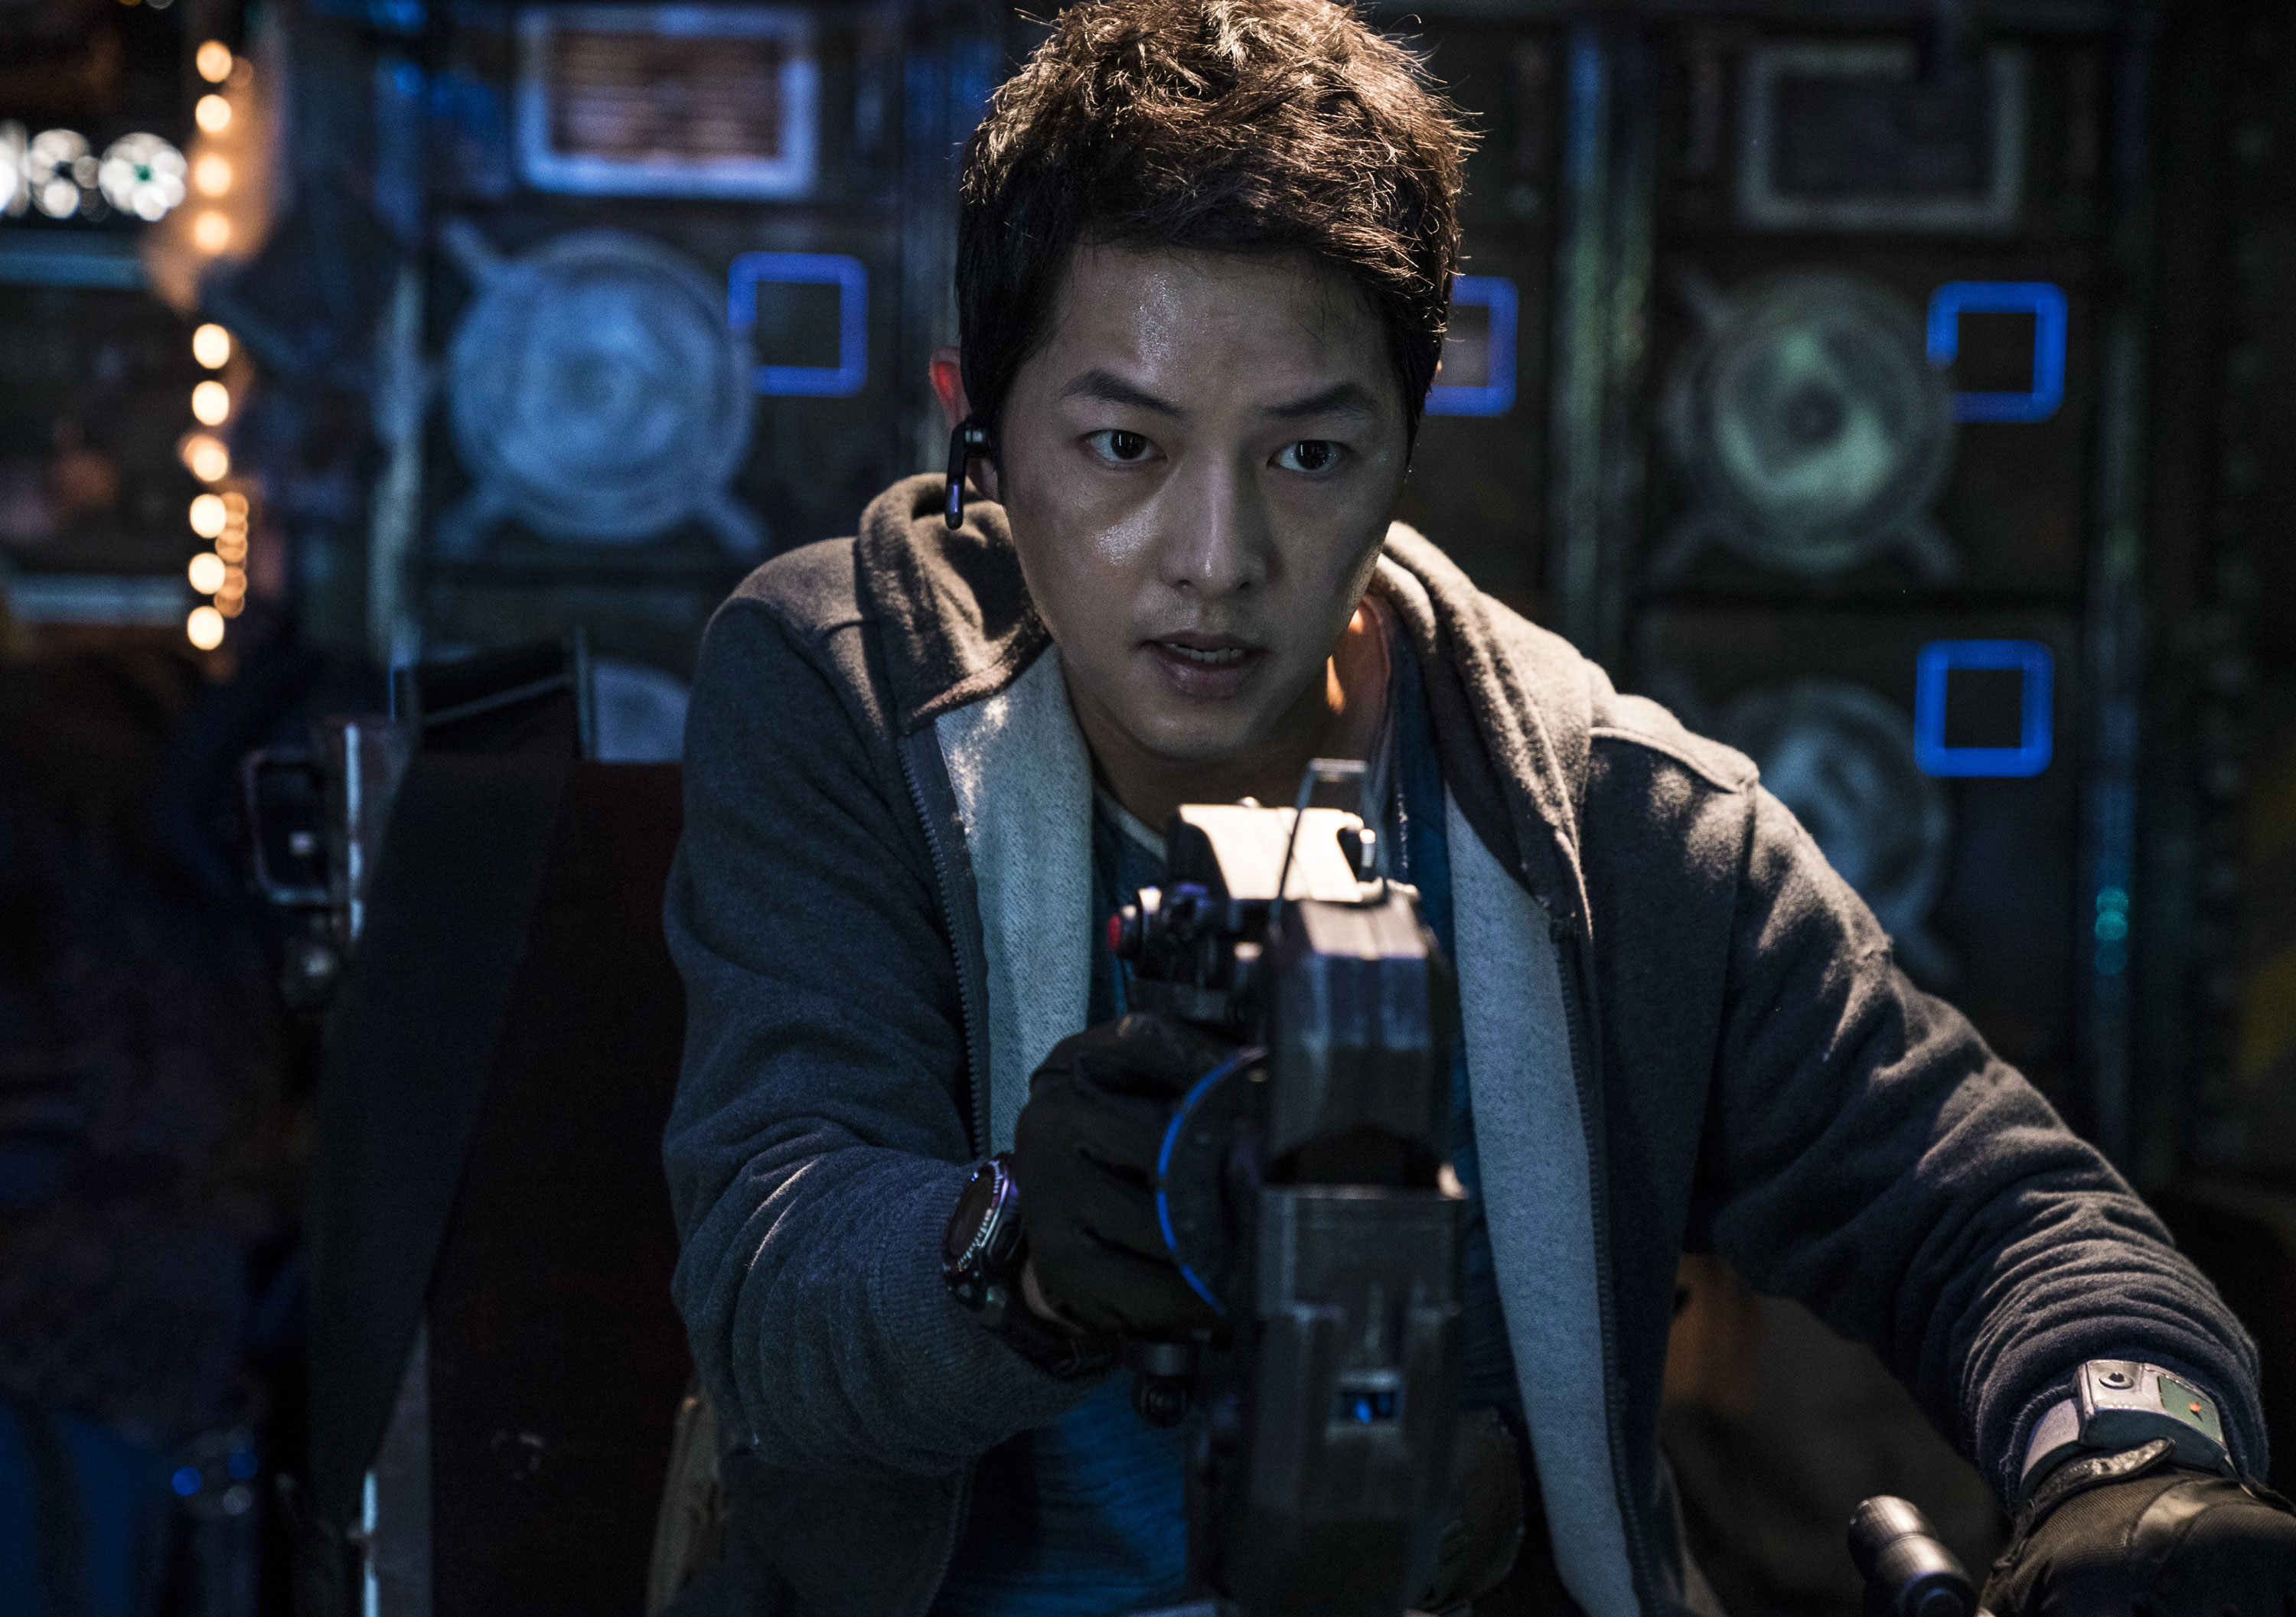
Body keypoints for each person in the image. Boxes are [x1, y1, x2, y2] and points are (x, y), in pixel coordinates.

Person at [660, 1, 2296, 1611]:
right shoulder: (847, 696)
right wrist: (1018, 1252)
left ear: (1407, 442)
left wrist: (2126, 1460)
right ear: (981, 426)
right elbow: (770, 1285)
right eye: (1122, 444)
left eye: (1308, 456)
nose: (1216, 556)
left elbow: (1991, 1204)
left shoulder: (1616, 827)